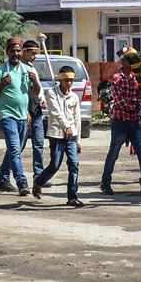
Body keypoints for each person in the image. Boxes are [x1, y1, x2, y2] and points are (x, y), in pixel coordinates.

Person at [0, 37, 38, 196]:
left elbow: (35, 92)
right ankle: (22, 181)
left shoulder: (26, 70)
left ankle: (2, 180)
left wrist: (35, 81)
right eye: (12, 51)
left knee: (15, 149)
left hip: (23, 117)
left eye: (18, 51)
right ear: (7, 52)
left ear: (22, 51)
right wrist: (2, 84)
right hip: (7, 115)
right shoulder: (1, 71)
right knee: (15, 149)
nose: (15, 54)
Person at [100, 48, 141, 197]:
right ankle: (105, 182)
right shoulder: (117, 78)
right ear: (123, 61)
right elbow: (119, 102)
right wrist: (134, 104)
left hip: (135, 122)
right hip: (120, 121)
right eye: (130, 59)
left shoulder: (139, 77)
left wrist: (134, 102)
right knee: (114, 153)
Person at [33, 65, 83, 207]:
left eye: (71, 80)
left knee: (74, 165)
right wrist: (66, 126)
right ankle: (39, 181)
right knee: (55, 164)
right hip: (56, 134)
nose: (69, 83)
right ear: (60, 80)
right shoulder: (52, 93)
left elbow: (77, 118)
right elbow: (55, 112)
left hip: (71, 136)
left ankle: (72, 196)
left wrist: (77, 139)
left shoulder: (73, 97)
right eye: (66, 80)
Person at [20, 40, 48, 181]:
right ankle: (5, 169)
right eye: (33, 53)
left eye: (37, 53)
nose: (35, 56)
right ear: (24, 51)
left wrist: (42, 98)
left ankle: (39, 175)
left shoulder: (32, 68)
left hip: (36, 110)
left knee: (39, 144)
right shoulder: (17, 68)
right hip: (23, 112)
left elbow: (38, 87)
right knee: (19, 145)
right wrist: (24, 111)